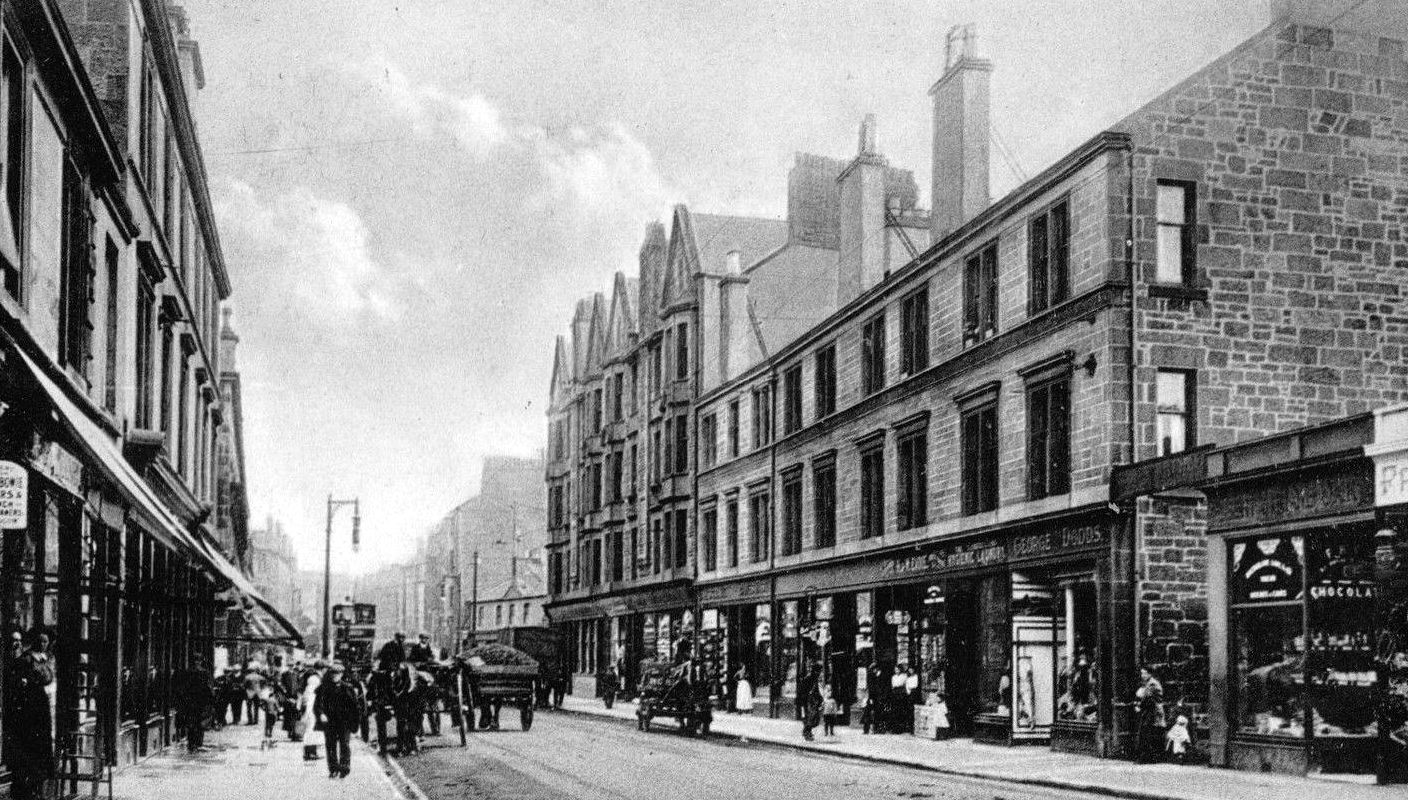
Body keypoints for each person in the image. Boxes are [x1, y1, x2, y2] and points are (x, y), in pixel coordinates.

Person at [4, 630, 55, 800]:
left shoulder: (44, 659)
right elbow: (21, 681)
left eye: (46, 641)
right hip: (29, 707)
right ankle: (27, 787)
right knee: (30, 745)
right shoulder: (26, 659)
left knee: (41, 744)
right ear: (35, 642)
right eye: (40, 641)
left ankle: (38, 786)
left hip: (41, 706)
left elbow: (48, 678)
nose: (43, 644)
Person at [315, 663, 361, 779]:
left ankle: (344, 767)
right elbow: (317, 705)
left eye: (338, 674)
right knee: (330, 745)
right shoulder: (324, 688)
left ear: (341, 674)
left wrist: (354, 722)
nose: (335, 676)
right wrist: (321, 714)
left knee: (344, 744)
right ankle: (333, 768)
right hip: (330, 722)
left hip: (344, 722)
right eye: (333, 673)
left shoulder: (348, 688)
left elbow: (355, 706)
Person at [175, 657, 213, 752]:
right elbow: (208, 688)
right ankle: (198, 742)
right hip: (201, 702)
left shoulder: (187, 672)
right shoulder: (204, 672)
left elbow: (182, 688)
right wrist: (210, 700)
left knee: (191, 723)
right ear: (201, 661)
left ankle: (191, 744)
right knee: (200, 722)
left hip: (189, 702)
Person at [1135, 665, 1166, 763]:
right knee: (1148, 733)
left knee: (1148, 733)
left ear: (1149, 674)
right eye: (1142, 673)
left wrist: (1139, 706)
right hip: (1150, 711)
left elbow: (1147, 697)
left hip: (1153, 712)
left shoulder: (1152, 684)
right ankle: (1148, 757)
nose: (1142, 675)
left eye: (1144, 673)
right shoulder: (1149, 683)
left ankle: (1148, 758)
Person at [392, 661, 420, 754]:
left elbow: (405, 692)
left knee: (408, 725)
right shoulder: (397, 680)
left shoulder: (409, 684)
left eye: (399, 671)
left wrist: (398, 695)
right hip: (402, 706)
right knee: (401, 725)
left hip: (408, 705)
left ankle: (410, 747)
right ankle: (402, 747)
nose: (397, 672)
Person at [299, 662, 324, 761]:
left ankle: (311, 752)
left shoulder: (314, 677)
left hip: (312, 707)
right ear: (322, 668)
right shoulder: (315, 679)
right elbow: (310, 695)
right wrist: (309, 711)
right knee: (310, 730)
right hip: (311, 708)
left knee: (312, 730)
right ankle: (309, 753)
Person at [798, 662, 821, 741]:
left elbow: (816, 691)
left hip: (813, 702)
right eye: (818, 671)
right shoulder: (808, 679)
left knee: (815, 719)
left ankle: (807, 731)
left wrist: (820, 699)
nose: (819, 673)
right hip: (806, 702)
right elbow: (801, 691)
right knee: (810, 718)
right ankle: (807, 732)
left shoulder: (814, 679)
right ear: (814, 671)